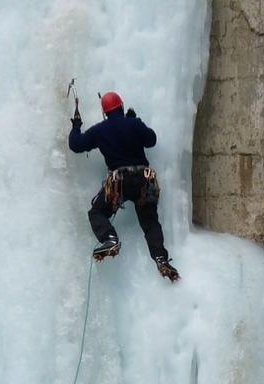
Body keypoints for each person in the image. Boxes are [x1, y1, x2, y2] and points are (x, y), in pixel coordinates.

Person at [68, 90, 180, 281]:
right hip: (144, 180)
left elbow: (76, 145)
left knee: (97, 212)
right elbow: (151, 140)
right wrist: (136, 122)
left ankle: (110, 238)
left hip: (119, 182)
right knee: (150, 222)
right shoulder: (133, 124)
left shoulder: (100, 130)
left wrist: (76, 126)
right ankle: (161, 258)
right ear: (121, 106)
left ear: (105, 112)